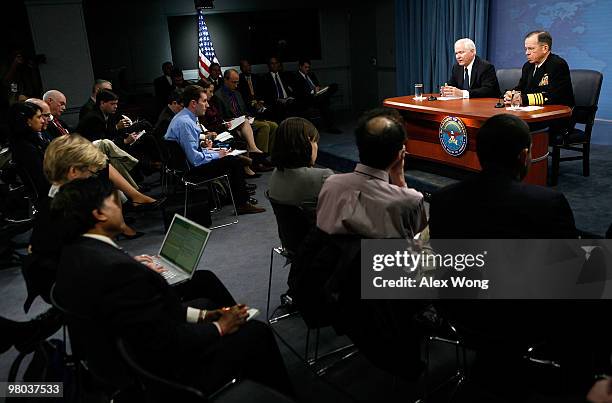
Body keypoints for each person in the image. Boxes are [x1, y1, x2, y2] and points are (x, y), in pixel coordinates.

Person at [51, 177, 293, 396]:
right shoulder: (119, 270)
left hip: (119, 358)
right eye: (114, 201)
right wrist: (218, 327)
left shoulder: (74, 253)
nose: (121, 207)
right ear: (99, 214)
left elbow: (145, 318)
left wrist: (206, 316)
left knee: (206, 302)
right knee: (256, 334)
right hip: (165, 374)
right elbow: (165, 341)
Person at [429, 113, 577, 238]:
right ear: (524, 156)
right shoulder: (550, 204)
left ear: (479, 152)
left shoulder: (440, 200)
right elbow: (567, 265)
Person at [316, 108, 428, 239]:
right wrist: (399, 179)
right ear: (400, 154)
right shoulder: (411, 201)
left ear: (358, 145)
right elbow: (419, 237)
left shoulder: (330, 184)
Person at [164, 85, 265, 215]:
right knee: (233, 162)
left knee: (228, 156)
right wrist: (217, 155)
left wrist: (214, 152)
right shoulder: (185, 123)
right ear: (193, 103)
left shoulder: (185, 118)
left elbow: (195, 151)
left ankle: (236, 196)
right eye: (204, 101)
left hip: (188, 164)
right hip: (191, 170)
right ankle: (242, 203)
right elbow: (195, 159)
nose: (207, 105)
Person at [214, 69, 277, 164]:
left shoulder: (237, 93)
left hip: (245, 120)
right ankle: (259, 159)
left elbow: (244, 110)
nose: (236, 85)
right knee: (264, 126)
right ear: (225, 80)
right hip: (233, 123)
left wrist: (249, 116)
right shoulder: (218, 96)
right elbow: (221, 116)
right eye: (233, 82)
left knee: (273, 125)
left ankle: (269, 155)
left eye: (237, 82)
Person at [268, 117, 333, 206]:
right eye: (315, 141)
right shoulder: (323, 176)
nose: (316, 146)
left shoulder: (276, 173)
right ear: (307, 142)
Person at [503, 31, 574, 107]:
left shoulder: (557, 64)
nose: (527, 53)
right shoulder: (528, 66)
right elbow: (522, 87)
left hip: (557, 113)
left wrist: (522, 99)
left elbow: (553, 96)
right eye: (526, 49)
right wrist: (511, 94)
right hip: (533, 111)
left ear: (545, 48)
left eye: (531, 48)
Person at [7, 102, 50, 199]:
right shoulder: (25, 148)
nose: (43, 121)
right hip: (44, 197)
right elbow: (40, 180)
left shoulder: (33, 140)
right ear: (28, 121)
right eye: (38, 117)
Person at [292, 58, 341, 133]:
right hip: (308, 98)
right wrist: (313, 91)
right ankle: (325, 97)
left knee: (333, 86)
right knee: (324, 103)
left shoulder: (311, 74)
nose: (307, 69)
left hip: (317, 95)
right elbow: (300, 93)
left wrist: (320, 88)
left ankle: (324, 95)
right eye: (306, 67)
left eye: (309, 67)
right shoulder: (296, 77)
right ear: (300, 67)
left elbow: (317, 85)